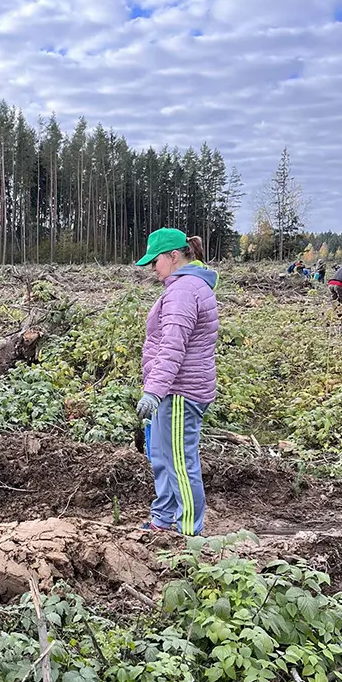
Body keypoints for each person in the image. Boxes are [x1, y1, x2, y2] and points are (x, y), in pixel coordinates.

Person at [135, 228, 219, 535]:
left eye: (155, 261)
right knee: (160, 455)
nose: (152, 269)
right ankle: (163, 519)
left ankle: (187, 534)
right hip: (169, 389)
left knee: (180, 464)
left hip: (180, 392)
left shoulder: (185, 291)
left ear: (174, 256)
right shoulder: (182, 287)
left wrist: (153, 392)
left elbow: (172, 347)